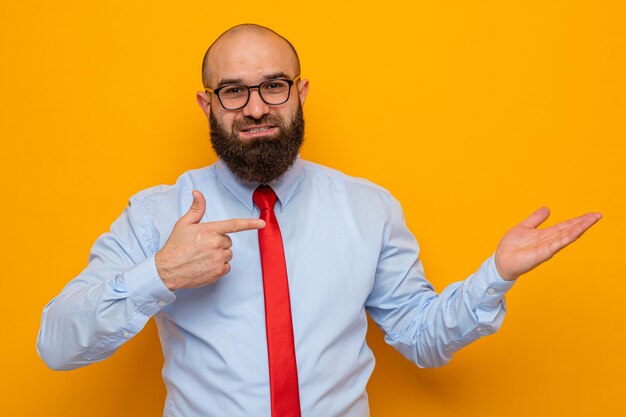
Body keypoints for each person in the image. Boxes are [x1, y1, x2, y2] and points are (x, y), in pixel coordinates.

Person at [37, 24, 602, 417]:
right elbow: (57, 345)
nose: (256, 107)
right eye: (233, 91)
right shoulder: (156, 213)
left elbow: (421, 338)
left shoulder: (368, 208)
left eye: (273, 85)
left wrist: (496, 275)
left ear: (300, 92)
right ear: (206, 106)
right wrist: (158, 274)